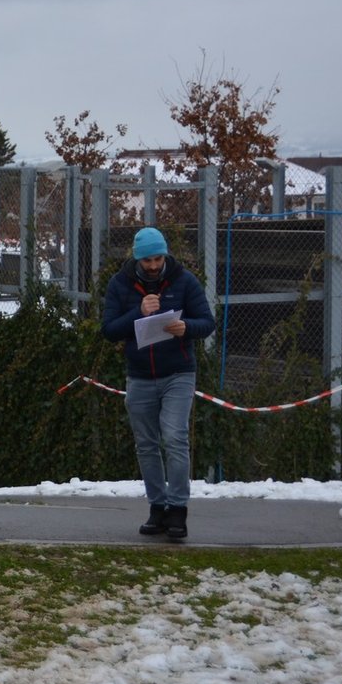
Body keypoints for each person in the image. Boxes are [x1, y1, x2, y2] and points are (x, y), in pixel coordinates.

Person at [101, 226, 216, 540]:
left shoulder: (184, 281)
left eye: (158, 259)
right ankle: (157, 506)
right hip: (139, 376)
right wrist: (137, 313)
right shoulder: (120, 284)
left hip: (178, 373)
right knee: (146, 444)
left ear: (165, 256)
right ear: (137, 259)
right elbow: (109, 330)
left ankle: (178, 509)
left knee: (175, 437)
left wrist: (186, 327)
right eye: (147, 260)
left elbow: (207, 322)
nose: (153, 266)